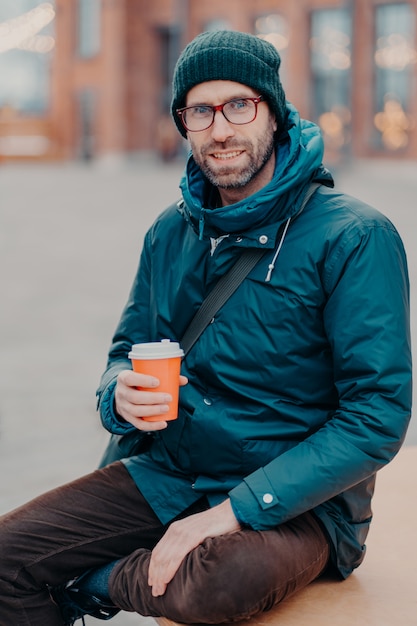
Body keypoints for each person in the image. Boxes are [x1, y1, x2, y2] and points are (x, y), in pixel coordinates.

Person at [0, 30, 412, 626]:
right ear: (184, 124)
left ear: (273, 112)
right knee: (7, 557)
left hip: (298, 502)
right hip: (173, 473)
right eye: (201, 110)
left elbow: (376, 413)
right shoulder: (171, 231)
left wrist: (237, 510)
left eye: (239, 105)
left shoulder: (353, 237)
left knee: (217, 582)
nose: (221, 129)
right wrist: (118, 392)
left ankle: (93, 582)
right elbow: (126, 349)